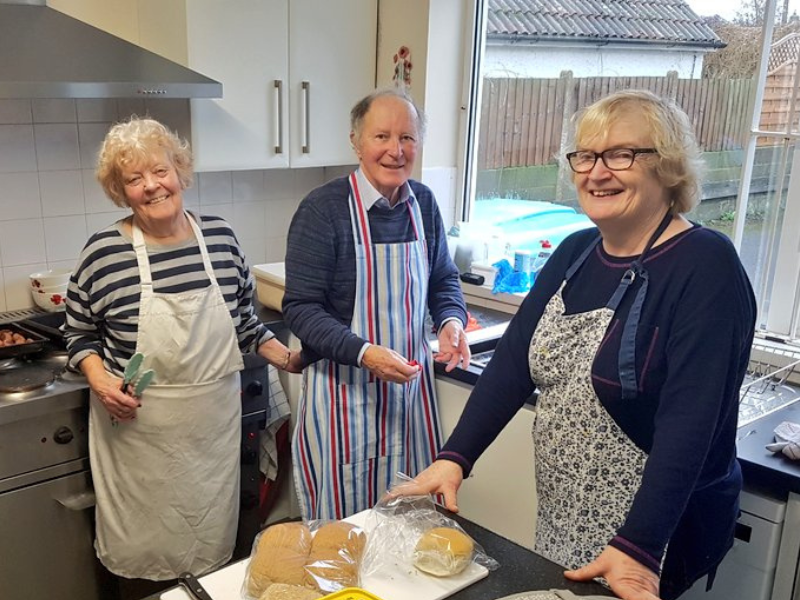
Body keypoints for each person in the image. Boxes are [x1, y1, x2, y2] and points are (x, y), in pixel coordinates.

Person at [400, 90, 757, 600]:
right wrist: (455, 457)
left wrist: (639, 546)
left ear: (669, 165)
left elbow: (692, 423)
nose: (596, 172)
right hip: (566, 511)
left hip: (656, 530)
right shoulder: (575, 250)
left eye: (621, 154)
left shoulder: (705, 264)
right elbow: (511, 366)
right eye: (586, 155)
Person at [63, 117, 303, 582]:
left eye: (160, 171)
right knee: (142, 570)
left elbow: (246, 325)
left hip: (209, 444)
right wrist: (99, 378)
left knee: (209, 570)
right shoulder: (103, 252)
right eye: (134, 179)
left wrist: (291, 358)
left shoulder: (220, 238)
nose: (151, 186)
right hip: (139, 444)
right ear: (120, 190)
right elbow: (78, 334)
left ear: (180, 170)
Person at [282, 87, 471, 521]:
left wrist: (450, 321)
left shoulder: (422, 202)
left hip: (409, 398)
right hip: (345, 398)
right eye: (381, 136)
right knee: (347, 532)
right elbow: (302, 308)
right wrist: (365, 354)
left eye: (407, 138)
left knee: (413, 523)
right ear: (356, 141)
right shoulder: (323, 210)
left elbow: (443, 277)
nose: (395, 150)